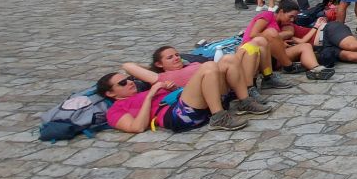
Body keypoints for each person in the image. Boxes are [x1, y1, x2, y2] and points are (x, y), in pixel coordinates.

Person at [97, 55, 270, 134]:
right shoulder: (115, 110)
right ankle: (219, 117)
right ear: (110, 93)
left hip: (184, 102)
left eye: (128, 79)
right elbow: (136, 127)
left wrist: (170, 90)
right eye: (122, 83)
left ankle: (244, 101)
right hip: (176, 116)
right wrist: (150, 97)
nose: (129, 82)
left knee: (228, 60)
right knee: (208, 67)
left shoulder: (140, 90)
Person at [127, 38, 273, 105]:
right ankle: (248, 91)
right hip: (217, 86)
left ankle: (261, 81)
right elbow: (128, 65)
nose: (176, 58)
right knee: (234, 56)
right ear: (159, 64)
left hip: (229, 76)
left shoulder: (191, 64)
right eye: (170, 58)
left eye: (177, 55)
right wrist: (152, 67)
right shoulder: (161, 76)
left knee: (257, 42)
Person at [242, 1, 334, 80]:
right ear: (281, 11)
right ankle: (289, 66)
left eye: (294, 17)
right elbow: (253, 34)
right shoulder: (268, 15)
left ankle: (316, 70)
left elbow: (296, 38)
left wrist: (280, 41)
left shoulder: (283, 24)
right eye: (290, 16)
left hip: (276, 56)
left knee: (306, 46)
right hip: (259, 55)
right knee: (271, 33)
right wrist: (278, 41)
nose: (292, 19)